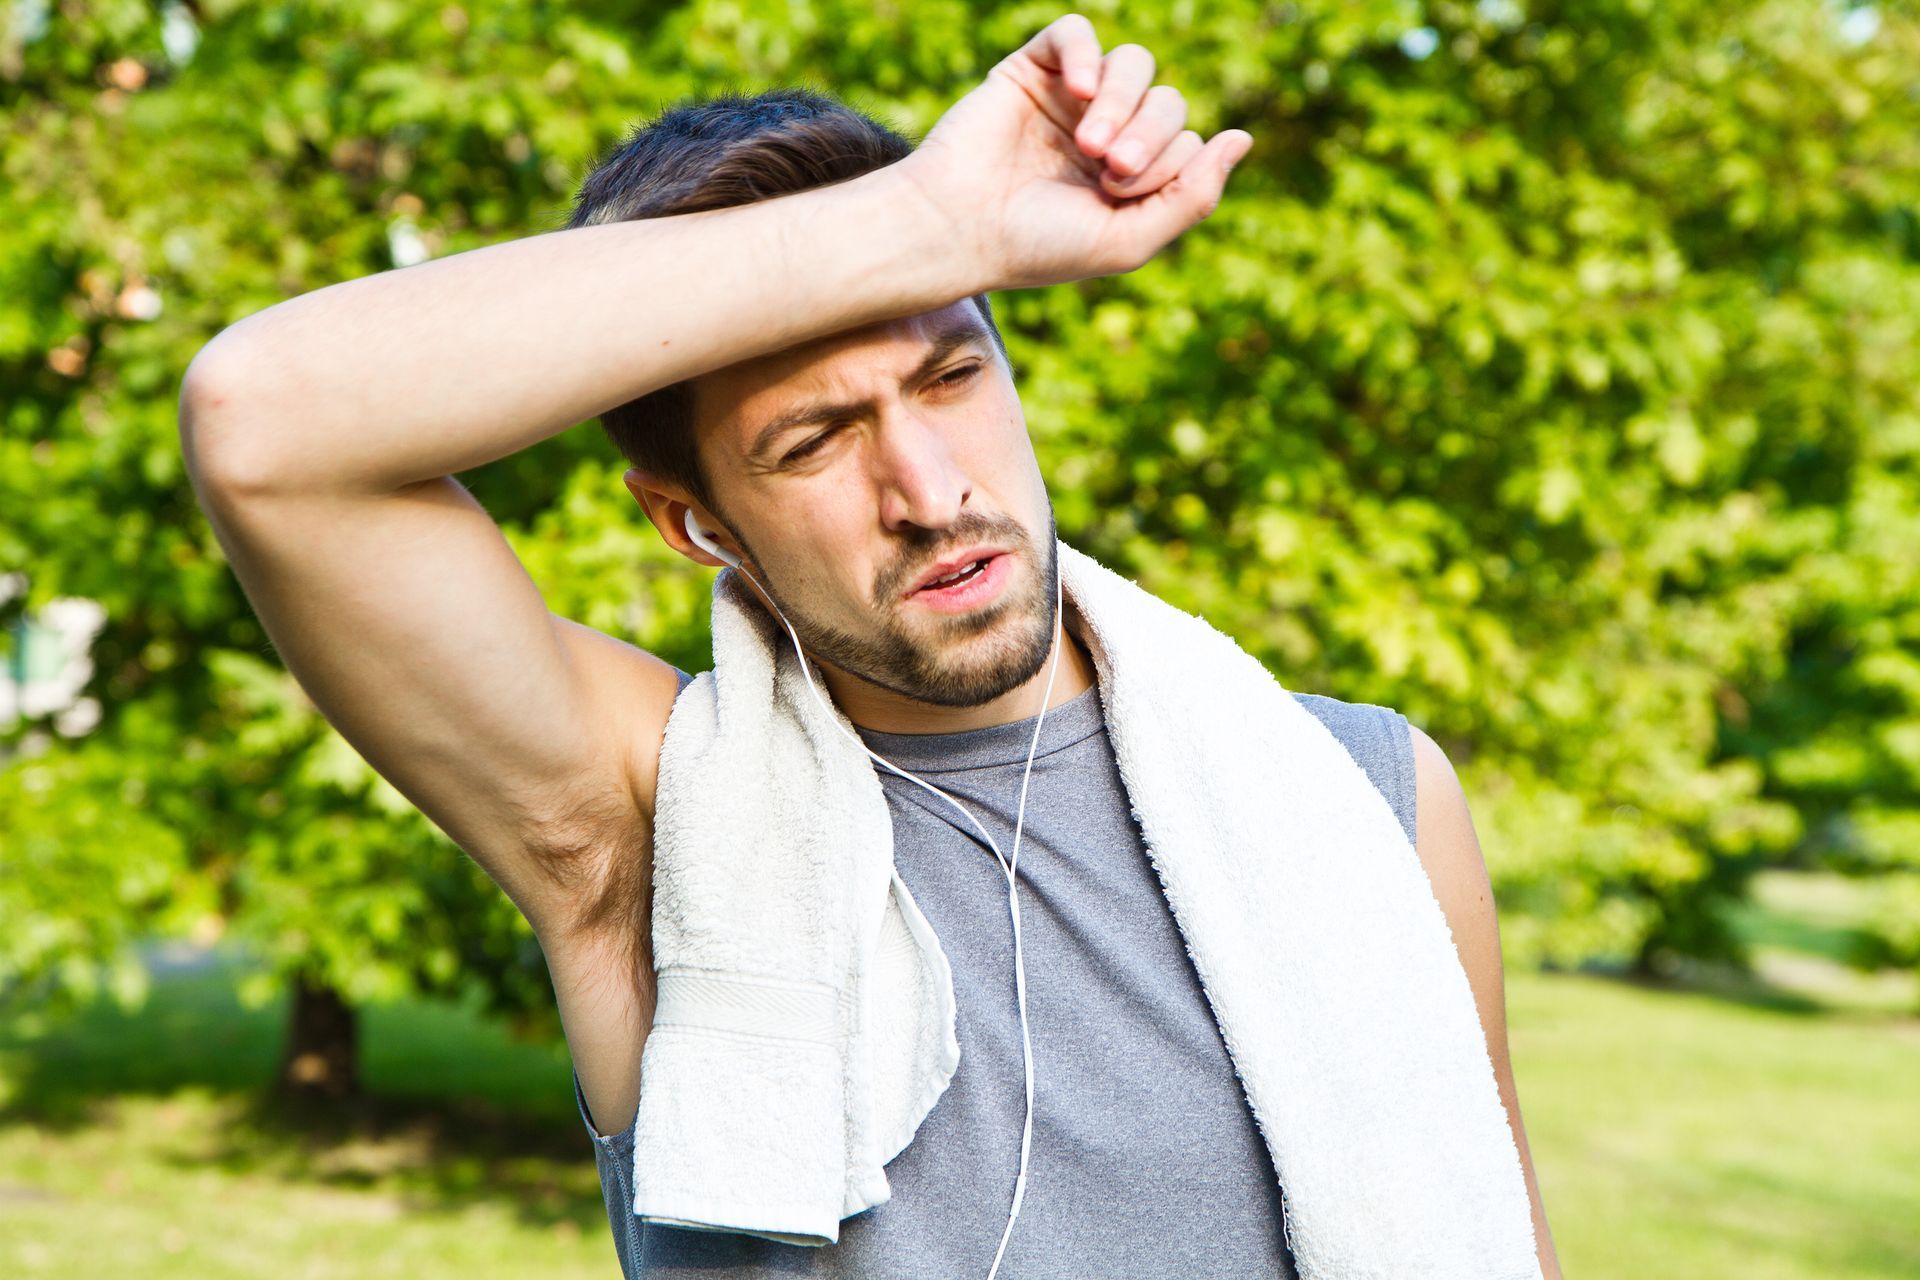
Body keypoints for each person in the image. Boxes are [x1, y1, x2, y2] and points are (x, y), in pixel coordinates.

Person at [179, 12, 1561, 1279]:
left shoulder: (1371, 794)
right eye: (815, 441)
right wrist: (925, 217)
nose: (932, 489)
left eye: (952, 376)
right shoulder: (644, 821)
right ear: (694, 523)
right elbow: (267, 427)